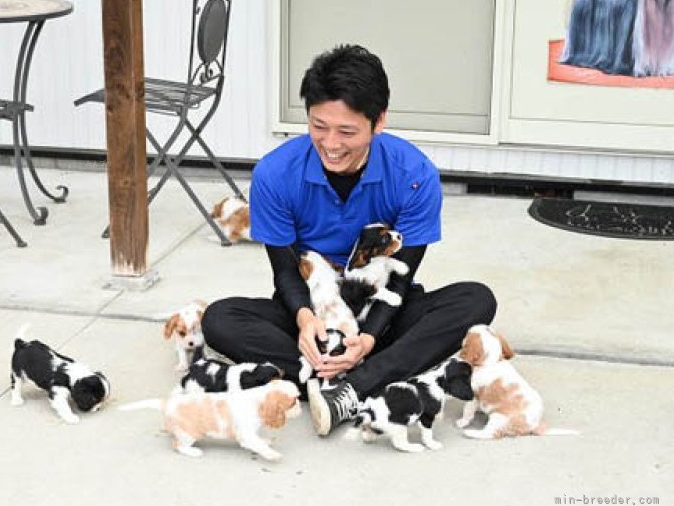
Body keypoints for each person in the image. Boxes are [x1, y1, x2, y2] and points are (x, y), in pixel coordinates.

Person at [202, 44, 496, 436]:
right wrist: (306, 322)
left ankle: (347, 385)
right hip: (313, 312)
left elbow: (400, 277)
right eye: (318, 126)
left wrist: (369, 338)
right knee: (220, 319)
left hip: (381, 312)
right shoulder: (275, 174)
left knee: (476, 300)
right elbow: (285, 271)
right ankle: (371, 377)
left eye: (346, 131)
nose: (331, 143)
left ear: (378, 122)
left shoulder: (415, 174)